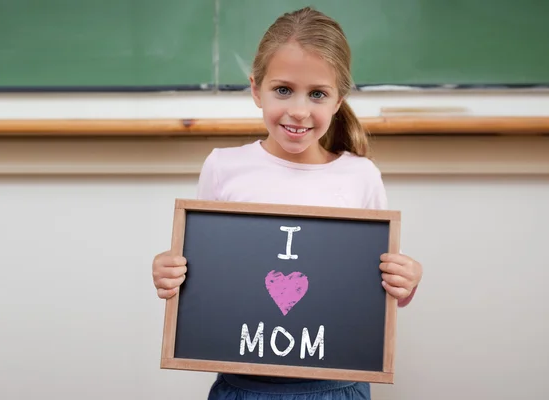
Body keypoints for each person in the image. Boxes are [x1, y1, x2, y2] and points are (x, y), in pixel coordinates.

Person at [152, 6, 423, 400]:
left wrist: (406, 281)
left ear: (338, 99)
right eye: (283, 90)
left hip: (337, 387)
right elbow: (206, 275)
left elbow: (375, 294)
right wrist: (171, 272)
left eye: (317, 94)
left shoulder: (360, 176)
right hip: (242, 387)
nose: (299, 110)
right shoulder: (224, 167)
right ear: (256, 89)